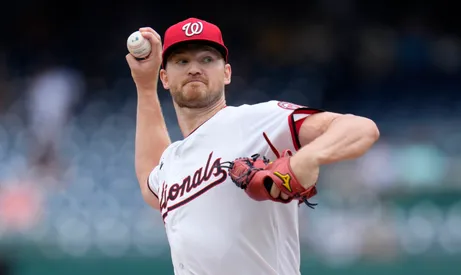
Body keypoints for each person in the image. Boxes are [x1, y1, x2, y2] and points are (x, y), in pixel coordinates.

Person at [125, 17, 380, 275]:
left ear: (226, 73)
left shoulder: (258, 120)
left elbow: (361, 128)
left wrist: (304, 160)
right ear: (165, 78)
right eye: (182, 61)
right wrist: (145, 87)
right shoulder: (172, 162)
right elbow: (149, 179)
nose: (194, 69)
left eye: (206, 59)